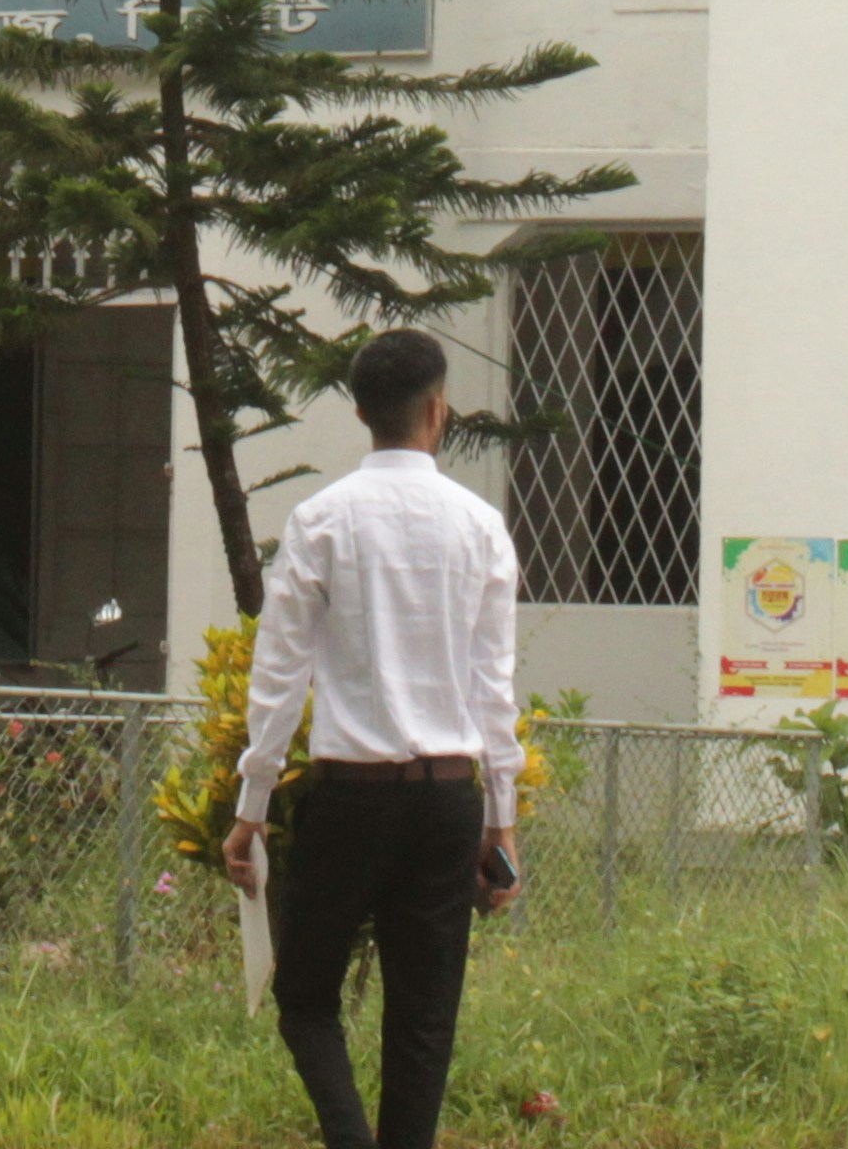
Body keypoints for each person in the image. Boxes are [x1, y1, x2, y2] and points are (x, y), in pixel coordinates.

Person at [221, 328, 519, 1149]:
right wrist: (503, 823)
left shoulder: (320, 522)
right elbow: (494, 690)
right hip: (449, 799)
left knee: (305, 1001)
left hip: (347, 799)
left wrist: (250, 809)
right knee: (423, 1023)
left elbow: (278, 680)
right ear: (438, 411)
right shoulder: (481, 527)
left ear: (359, 412)